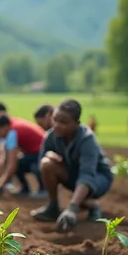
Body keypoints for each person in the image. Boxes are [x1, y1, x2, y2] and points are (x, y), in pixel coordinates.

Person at [31, 99, 113, 231]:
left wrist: (72, 208)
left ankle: (91, 204)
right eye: (55, 120)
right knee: (46, 164)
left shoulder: (87, 139)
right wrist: (49, 155)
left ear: (77, 123)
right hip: (74, 174)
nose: (57, 125)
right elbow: (41, 163)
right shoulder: (51, 136)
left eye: (64, 122)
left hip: (98, 178)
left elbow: (87, 175)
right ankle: (53, 207)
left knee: (79, 198)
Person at [0, 115, 46, 196]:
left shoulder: (12, 133)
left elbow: (12, 164)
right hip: (37, 151)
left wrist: (0, 185)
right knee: (20, 162)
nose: (0, 135)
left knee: (24, 165)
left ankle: (43, 190)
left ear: (4, 127)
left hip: (42, 152)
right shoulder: (14, 123)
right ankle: (25, 189)